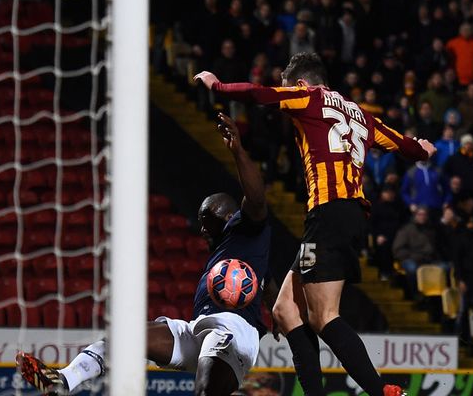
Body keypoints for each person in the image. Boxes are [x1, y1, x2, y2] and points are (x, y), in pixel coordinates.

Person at [194, 52, 435, 396]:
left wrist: (217, 86)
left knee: (324, 316)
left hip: (330, 214)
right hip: (336, 218)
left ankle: (381, 391)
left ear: (302, 83)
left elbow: (260, 94)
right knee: (285, 310)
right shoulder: (362, 115)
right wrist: (423, 151)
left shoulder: (310, 97)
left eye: (288, 86)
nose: (287, 92)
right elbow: (403, 144)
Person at [16, 113, 277, 396]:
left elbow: (257, 200)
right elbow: (268, 283)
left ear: (228, 217)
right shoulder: (241, 254)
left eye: (208, 221)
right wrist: (277, 308)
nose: (202, 229)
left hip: (232, 329)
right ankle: (63, 381)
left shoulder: (245, 230)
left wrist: (238, 151)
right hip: (197, 330)